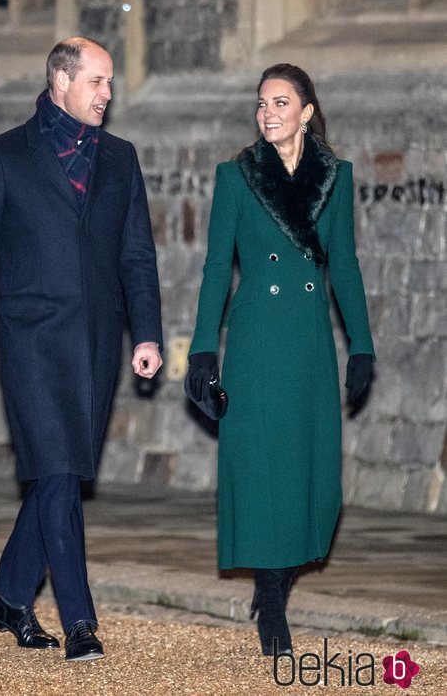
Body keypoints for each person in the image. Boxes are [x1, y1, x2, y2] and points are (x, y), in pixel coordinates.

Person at [0, 37, 163, 662]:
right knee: (57, 474)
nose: (108, 93)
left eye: (109, 83)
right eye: (97, 81)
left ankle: (13, 595)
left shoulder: (121, 159)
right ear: (60, 82)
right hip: (31, 343)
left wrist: (147, 331)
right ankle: (80, 622)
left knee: (60, 475)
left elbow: (137, 255)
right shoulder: (1, 156)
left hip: (99, 343)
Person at [185, 63, 375, 656]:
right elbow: (219, 267)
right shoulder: (236, 176)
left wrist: (363, 345)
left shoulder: (336, 178)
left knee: (311, 476)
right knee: (261, 469)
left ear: (306, 112)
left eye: (281, 102)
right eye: (262, 102)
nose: (268, 112)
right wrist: (201, 350)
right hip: (257, 339)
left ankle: (278, 584)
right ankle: (271, 603)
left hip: (309, 340)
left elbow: (342, 264)